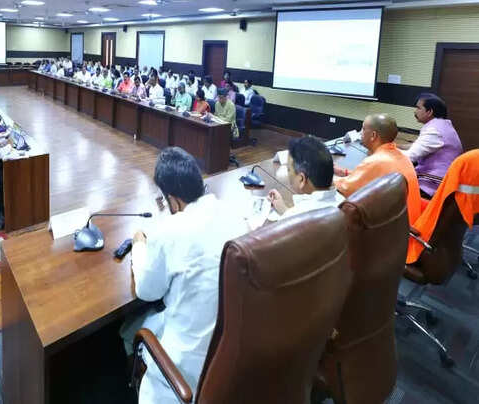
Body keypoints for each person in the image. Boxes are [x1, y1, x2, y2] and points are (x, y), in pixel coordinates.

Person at [125, 146, 249, 404]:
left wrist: (139, 244)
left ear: (173, 200)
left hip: (185, 375)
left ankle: (131, 383)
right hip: (231, 357)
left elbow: (145, 291)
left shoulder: (170, 230)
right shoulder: (234, 215)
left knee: (131, 330)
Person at [334, 113, 422, 224]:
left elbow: (345, 189)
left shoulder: (376, 161)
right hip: (407, 222)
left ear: (373, 135)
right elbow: (371, 177)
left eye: (363, 129)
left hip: (395, 227)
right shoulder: (401, 156)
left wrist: (325, 176)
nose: (360, 133)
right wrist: (344, 172)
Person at [401, 94, 463, 197]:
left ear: (429, 112)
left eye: (418, 108)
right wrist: (395, 146)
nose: (415, 112)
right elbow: (418, 146)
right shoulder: (442, 125)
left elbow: (410, 156)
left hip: (432, 185)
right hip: (442, 180)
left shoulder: (434, 131)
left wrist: (383, 153)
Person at [268, 136, 345, 219]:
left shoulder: (295, 219)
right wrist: (284, 210)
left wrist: (287, 215)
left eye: (289, 169)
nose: (288, 174)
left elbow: (294, 219)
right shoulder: (343, 203)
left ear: (301, 179)